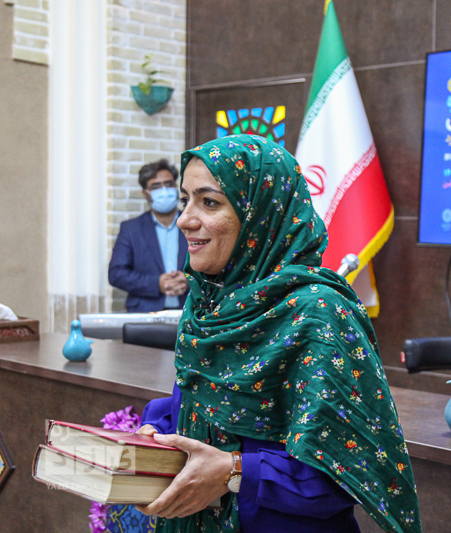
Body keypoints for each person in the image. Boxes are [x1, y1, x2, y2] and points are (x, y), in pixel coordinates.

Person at [136, 135, 421, 533]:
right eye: (186, 200)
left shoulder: (318, 314)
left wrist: (234, 471)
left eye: (209, 202)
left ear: (261, 214)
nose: (184, 218)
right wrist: (162, 433)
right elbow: (207, 402)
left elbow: (347, 466)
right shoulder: (209, 302)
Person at [109, 159, 189, 312]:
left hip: (189, 312)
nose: (164, 190)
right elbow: (116, 274)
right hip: (144, 313)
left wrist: (189, 281)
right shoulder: (131, 229)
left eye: (168, 184)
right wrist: (156, 283)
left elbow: (214, 268)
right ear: (145, 193)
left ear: (176, 187)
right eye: (156, 186)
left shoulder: (193, 224)